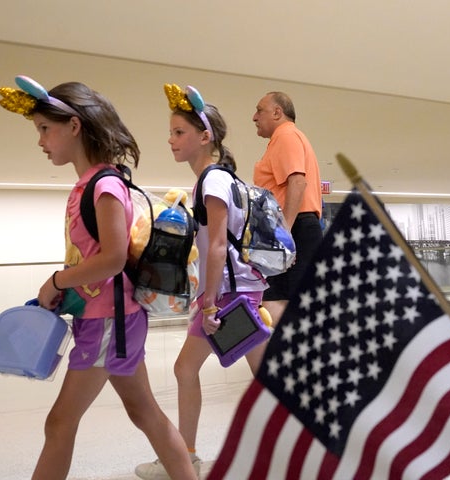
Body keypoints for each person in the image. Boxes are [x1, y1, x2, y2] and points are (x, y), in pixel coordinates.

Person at [0, 76, 197, 479]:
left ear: (74, 126)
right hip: (111, 319)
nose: (41, 141)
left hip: (109, 321)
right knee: (146, 414)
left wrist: (57, 281)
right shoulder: (92, 183)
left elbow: (111, 259)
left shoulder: (103, 185)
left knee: (59, 423)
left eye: (44, 129)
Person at [134, 84, 269, 480]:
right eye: (172, 132)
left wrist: (209, 304)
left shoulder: (212, 180)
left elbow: (216, 247)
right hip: (242, 290)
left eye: (180, 132)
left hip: (228, 296)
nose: (171, 139)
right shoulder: (218, 178)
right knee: (261, 373)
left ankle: (185, 456)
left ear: (205, 136)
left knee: (184, 368)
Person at [250, 91, 323, 331]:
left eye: (260, 110)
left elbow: (297, 182)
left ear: (277, 112)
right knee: (279, 299)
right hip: (296, 227)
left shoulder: (286, 135)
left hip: (294, 227)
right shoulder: (286, 138)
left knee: (274, 300)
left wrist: (285, 234)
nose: (254, 117)